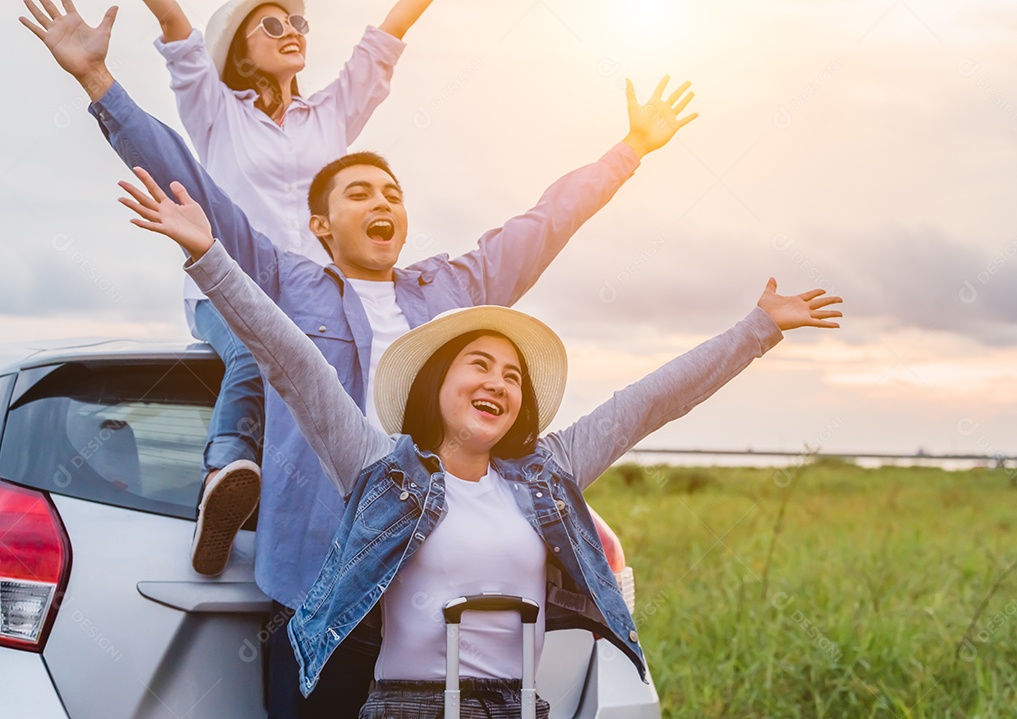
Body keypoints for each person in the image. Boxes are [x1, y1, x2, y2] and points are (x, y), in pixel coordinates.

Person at [20, 1, 699, 713]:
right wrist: (100, 82)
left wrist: (629, 150)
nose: (383, 201)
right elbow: (197, 188)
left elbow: (544, 222)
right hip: (322, 587)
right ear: (320, 224)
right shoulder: (284, 283)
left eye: (392, 193)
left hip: (437, 600)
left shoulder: (454, 290)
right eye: (359, 191)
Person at [118, 167, 842, 717]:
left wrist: (758, 328)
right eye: (479, 364)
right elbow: (292, 363)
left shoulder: (549, 471)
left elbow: (650, 401)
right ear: (438, 380)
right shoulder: (377, 468)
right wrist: (208, 254)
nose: (498, 381)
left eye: (513, 375)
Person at [131, 0, 435, 578]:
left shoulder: (330, 115)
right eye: (272, 23)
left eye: (298, 22)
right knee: (257, 349)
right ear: (240, 50)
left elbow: (384, 40)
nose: (291, 31)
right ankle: (224, 475)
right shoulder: (215, 109)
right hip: (228, 287)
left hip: (315, 304)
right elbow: (177, 33)